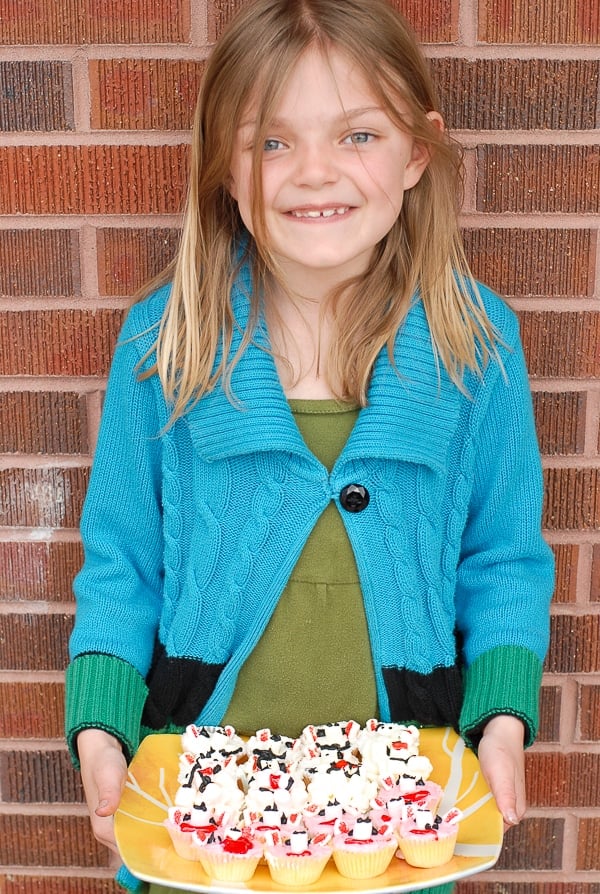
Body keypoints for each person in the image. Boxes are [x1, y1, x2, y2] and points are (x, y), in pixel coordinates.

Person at [65, 1, 554, 892]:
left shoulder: (475, 344)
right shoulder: (163, 343)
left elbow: (504, 560)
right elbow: (120, 562)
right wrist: (102, 730)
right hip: (199, 814)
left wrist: (504, 719)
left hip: (399, 819)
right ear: (225, 169)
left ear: (416, 153)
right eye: (271, 143)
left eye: (358, 135)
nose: (314, 172)